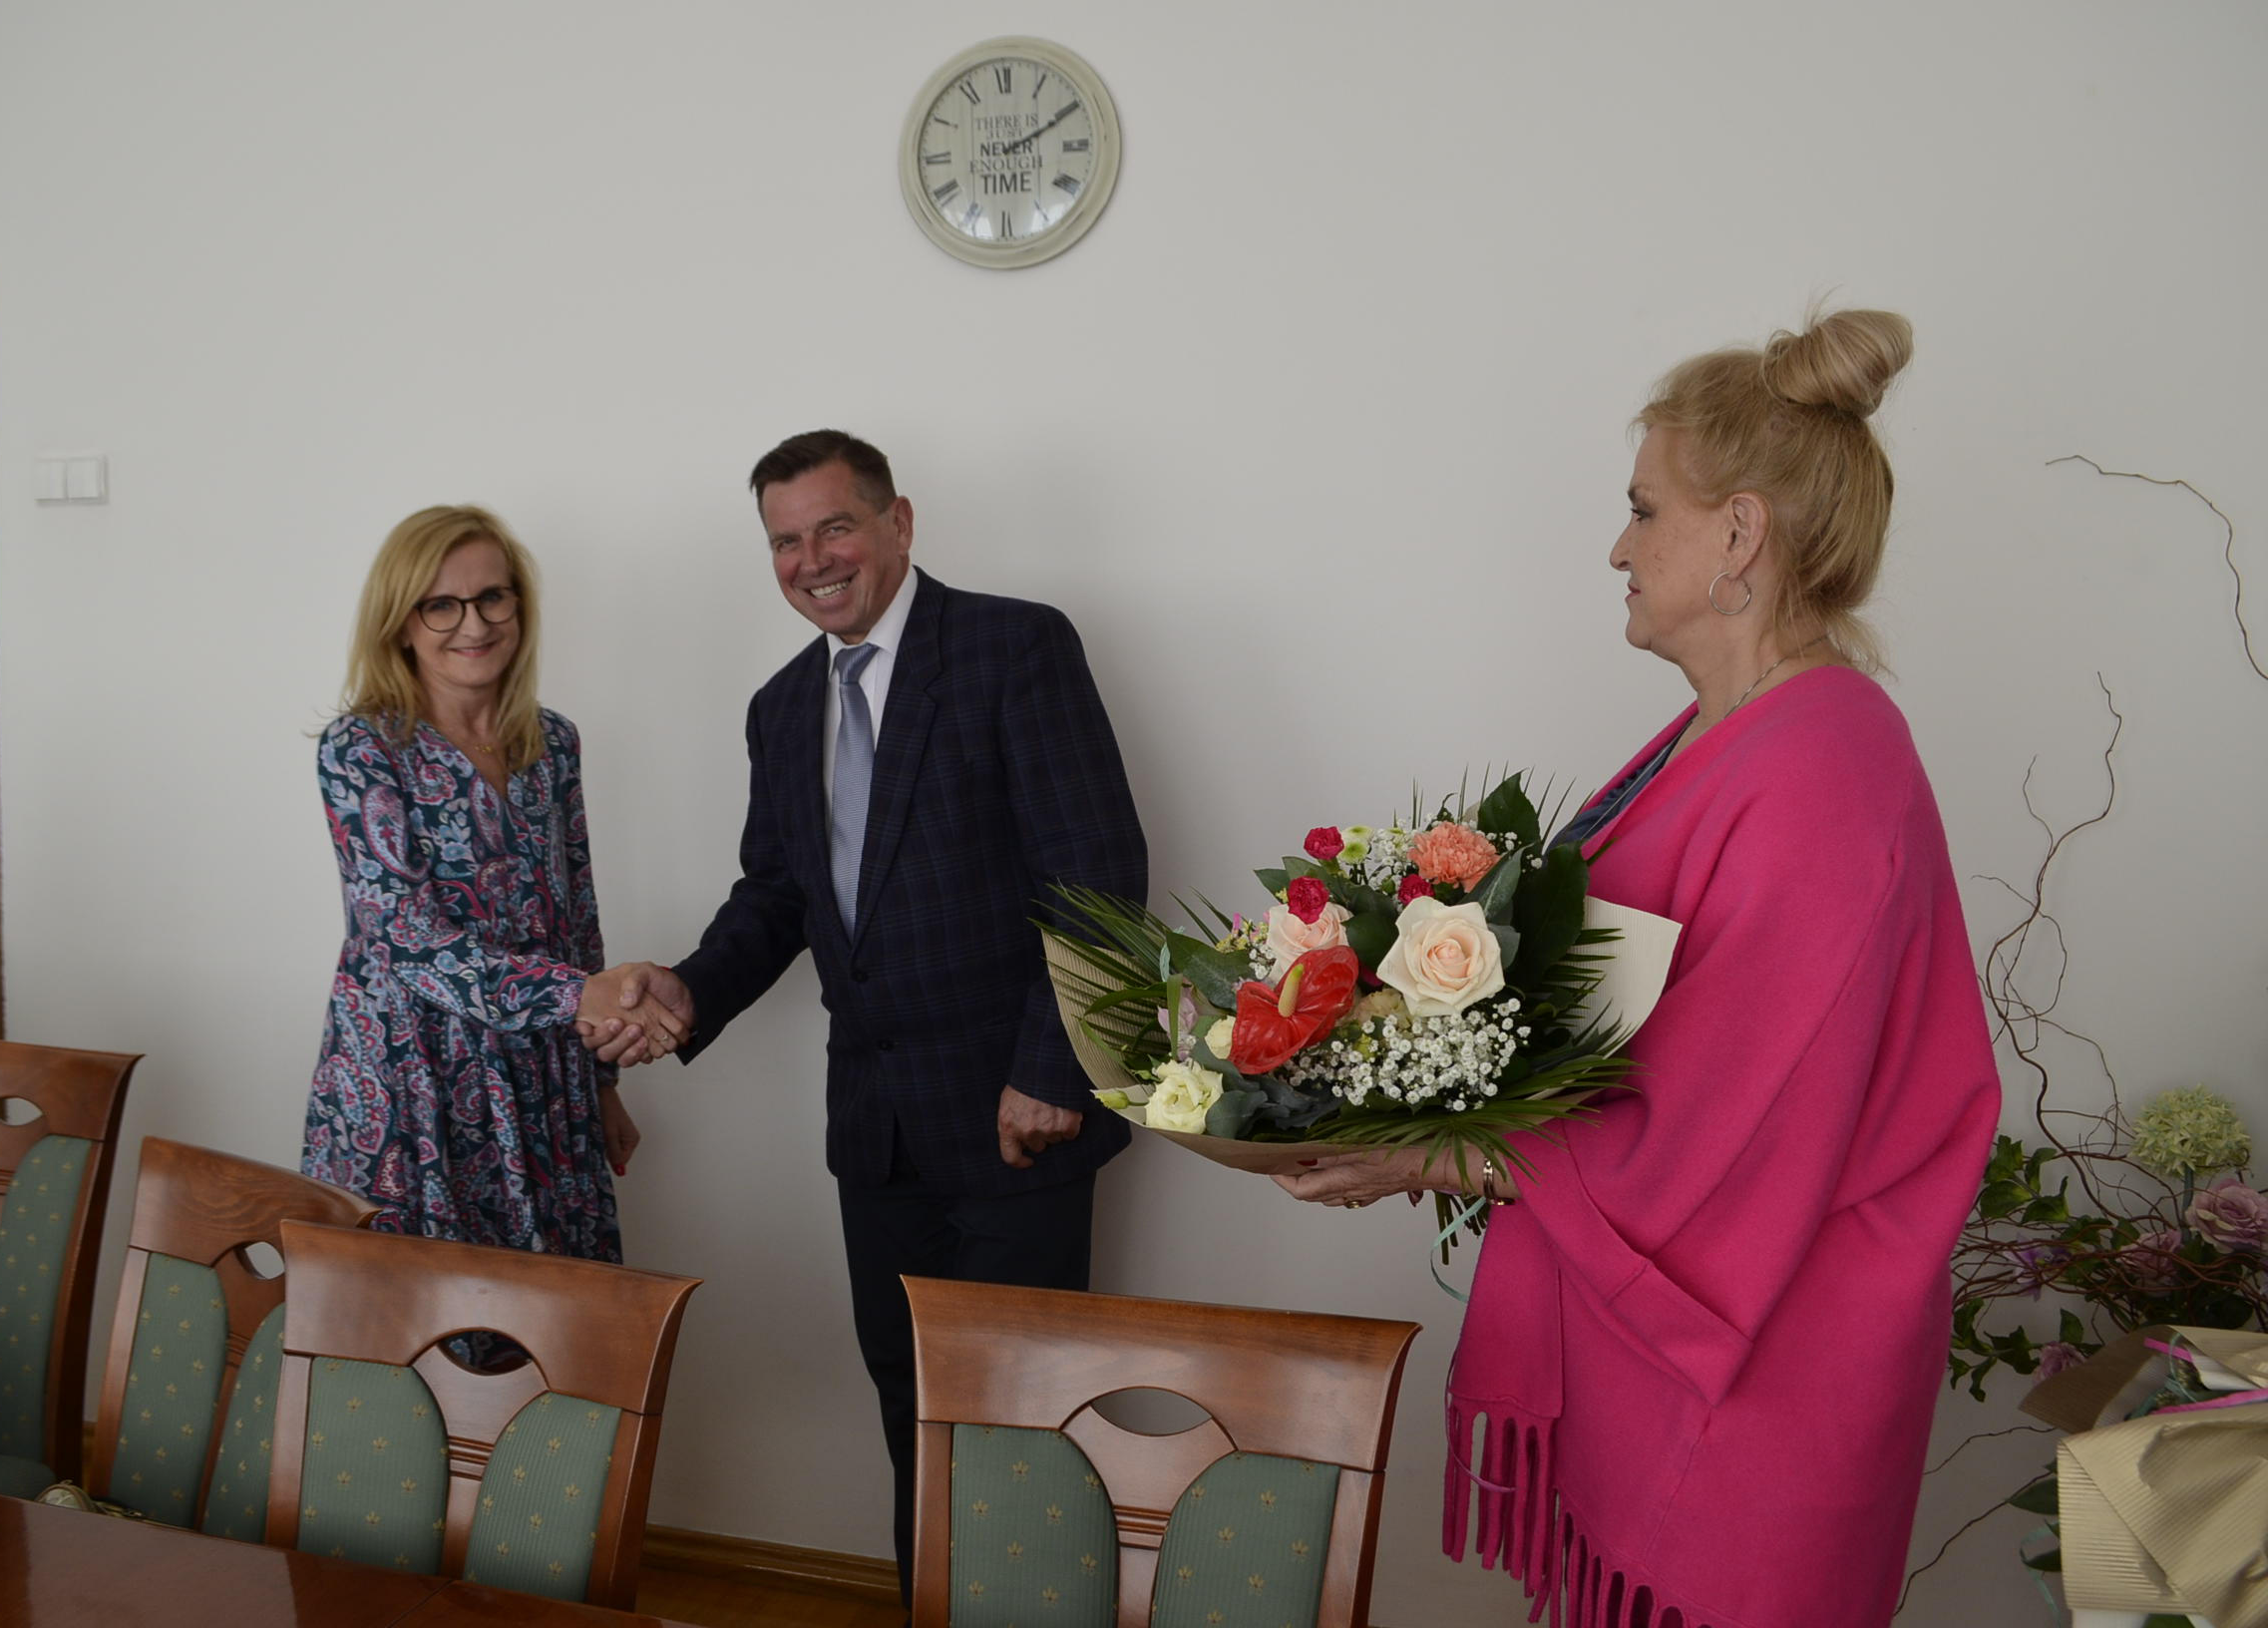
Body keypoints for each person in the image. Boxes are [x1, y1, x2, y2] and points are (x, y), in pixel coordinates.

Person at [1276, 311, 2001, 1628]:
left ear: (1739, 534)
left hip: (1761, 1381)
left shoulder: (1821, 770)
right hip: (1694, 1362)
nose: (1618, 547)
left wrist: (1430, 1156)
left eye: (1643, 509)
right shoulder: (1731, 734)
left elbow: (1729, 1132)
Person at [584, 430, 1146, 1592]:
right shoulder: (782, 706)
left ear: (899, 522)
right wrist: (689, 990)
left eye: (834, 527)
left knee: (1023, 1420)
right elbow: (777, 896)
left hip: (1017, 1115)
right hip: (876, 1133)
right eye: (784, 542)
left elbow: (1094, 873)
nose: (811, 560)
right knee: (914, 1409)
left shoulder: (1013, 646)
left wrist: (1054, 1067)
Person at [305, 505, 676, 1262]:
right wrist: (580, 995)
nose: (473, 624)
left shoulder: (554, 742)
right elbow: (410, 942)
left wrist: (603, 1082)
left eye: (492, 598)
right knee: (420, 1318)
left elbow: (577, 916)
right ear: (400, 623)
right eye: (441, 604)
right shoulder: (362, 748)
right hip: (415, 1082)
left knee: (559, 1313)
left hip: (547, 1079)